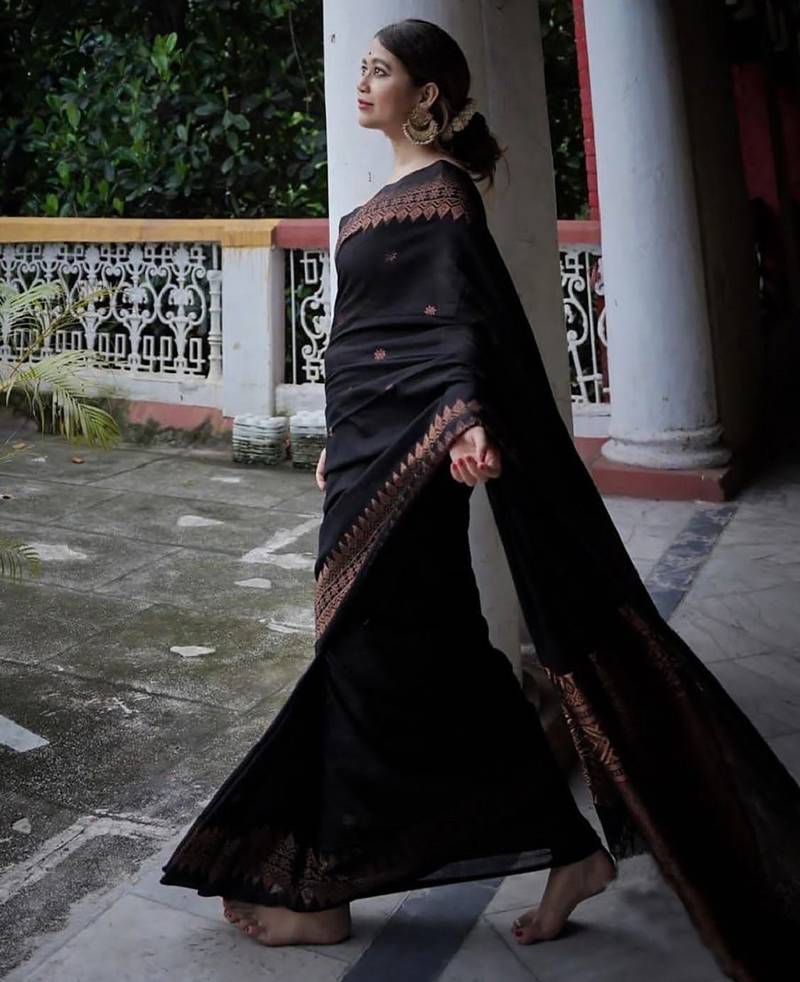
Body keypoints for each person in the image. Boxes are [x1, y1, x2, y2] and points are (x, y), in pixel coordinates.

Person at [159, 19, 800, 980]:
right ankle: (571, 850)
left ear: (425, 96)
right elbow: (360, 337)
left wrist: (462, 417)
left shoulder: (446, 194)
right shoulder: (372, 205)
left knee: (361, 654)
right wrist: (338, 437)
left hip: (419, 463)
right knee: (444, 656)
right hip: (364, 455)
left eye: (380, 71)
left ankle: (326, 894)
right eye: (361, 68)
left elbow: (456, 319)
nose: (361, 82)